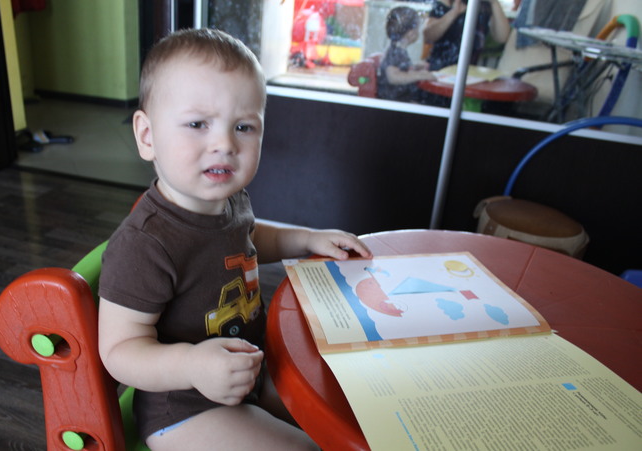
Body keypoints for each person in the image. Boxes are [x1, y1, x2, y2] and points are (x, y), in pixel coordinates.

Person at [97, 28, 372, 451]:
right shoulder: (145, 244)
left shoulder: (229, 200)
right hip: (185, 407)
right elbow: (119, 351)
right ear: (147, 136)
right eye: (197, 124)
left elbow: (248, 238)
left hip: (250, 371)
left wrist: (305, 239)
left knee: (343, 410)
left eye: (243, 126)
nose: (224, 144)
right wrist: (192, 365)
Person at [423, 0, 511, 71]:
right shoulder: (447, 2)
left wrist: (494, 3)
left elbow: (502, 37)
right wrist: (454, 12)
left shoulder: (484, 6)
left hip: (469, 71)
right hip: (440, 69)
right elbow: (428, 36)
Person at [377, 6, 436, 102]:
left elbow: (399, 69)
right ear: (411, 33)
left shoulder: (398, 50)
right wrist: (419, 76)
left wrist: (414, 67)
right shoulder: (395, 52)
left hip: (399, 98)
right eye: (417, 29)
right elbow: (393, 77)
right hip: (395, 101)